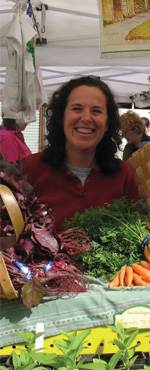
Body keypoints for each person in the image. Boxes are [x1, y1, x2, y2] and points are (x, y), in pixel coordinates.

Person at [23, 76, 140, 232]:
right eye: (77, 108)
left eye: (96, 111)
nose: (86, 118)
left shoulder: (123, 174)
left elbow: (140, 235)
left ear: (107, 124)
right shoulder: (32, 169)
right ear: (62, 117)